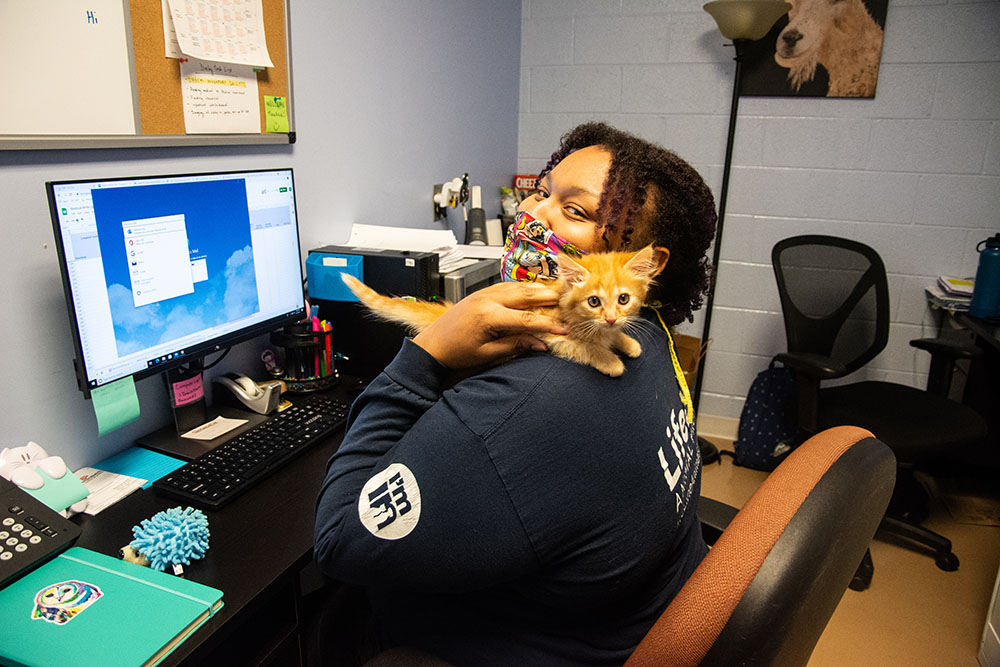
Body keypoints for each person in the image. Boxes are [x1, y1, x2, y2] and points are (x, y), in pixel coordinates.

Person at [314, 122, 718, 666]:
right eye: (542, 192)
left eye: (574, 212)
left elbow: (337, 540)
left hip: (538, 643)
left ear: (640, 260)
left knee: (322, 618)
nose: (533, 215)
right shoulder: (652, 341)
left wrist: (426, 355)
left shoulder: (527, 407)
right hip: (627, 615)